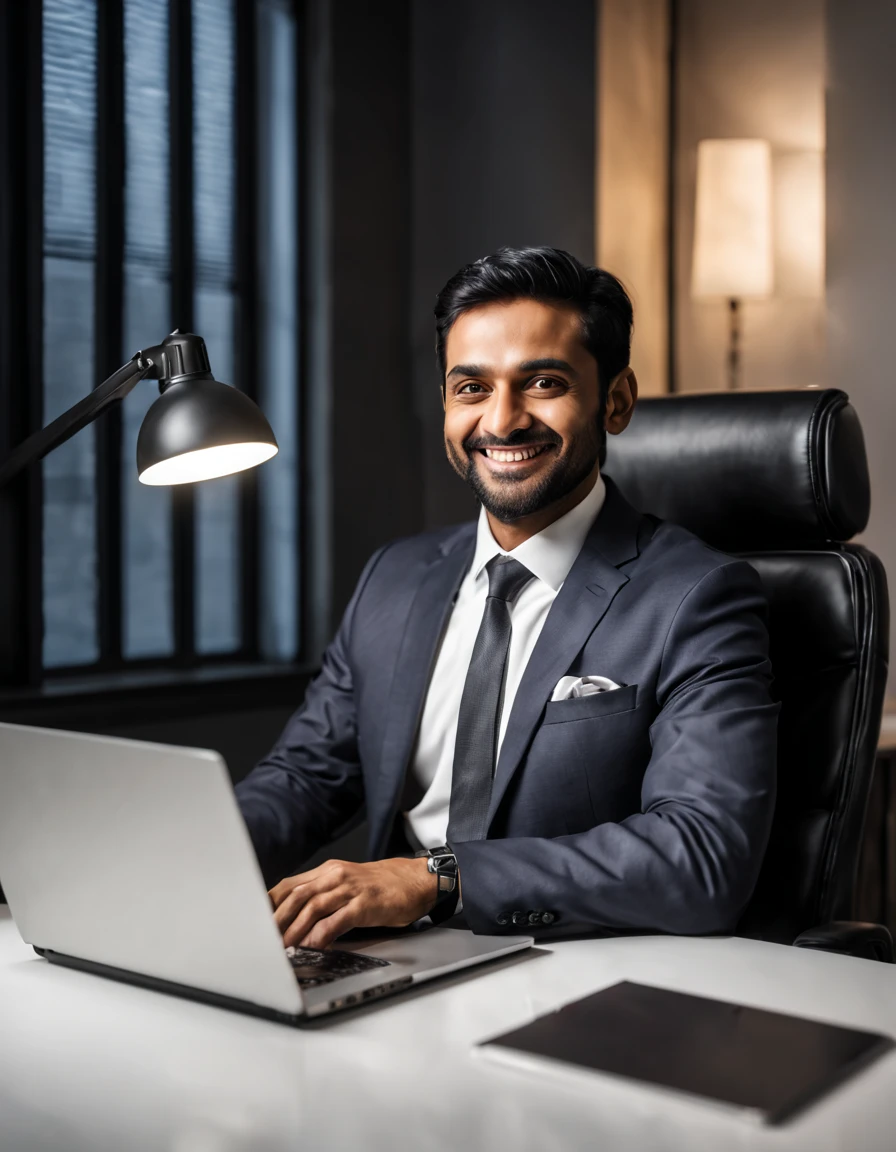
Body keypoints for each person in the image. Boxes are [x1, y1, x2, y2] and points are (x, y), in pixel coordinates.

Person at [236, 246, 778, 951]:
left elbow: (702, 855)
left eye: (543, 382)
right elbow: (307, 778)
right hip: (388, 960)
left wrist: (438, 878)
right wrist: (187, 856)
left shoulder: (697, 597)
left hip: (578, 972)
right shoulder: (394, 579)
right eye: (471, 388)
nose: (502, 420)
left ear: (615, 402)